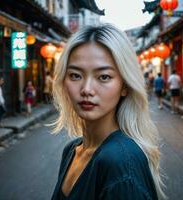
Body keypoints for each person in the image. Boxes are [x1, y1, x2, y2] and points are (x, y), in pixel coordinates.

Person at [51, 24, 165, 200]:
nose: (87, 89)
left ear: (125, 86)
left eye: (104, 77)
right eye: (75, 75)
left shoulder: (120, 163)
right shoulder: (71, 150)